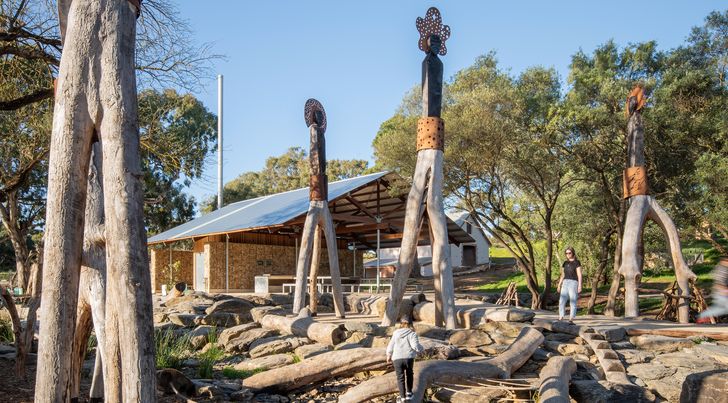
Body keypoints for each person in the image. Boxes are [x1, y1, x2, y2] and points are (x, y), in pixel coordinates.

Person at [386, 316, 424, 402]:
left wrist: (388, 355)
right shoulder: (412, 333)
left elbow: (391, 345)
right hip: (408, 358)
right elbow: (415, 346)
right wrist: (422, 349)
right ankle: (409, 394)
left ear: (401, 324)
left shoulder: (396, 333)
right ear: (411, 324)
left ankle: (402, 398)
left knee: (400, 378)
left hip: (397, 359)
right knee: (409, 374)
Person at [696, 258, 728, 324]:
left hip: (721, 292)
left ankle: (703, 315)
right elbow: (719, 282)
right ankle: (703, 315)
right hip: (721, 293)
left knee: (722, 308)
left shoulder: (722, 268)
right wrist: (724, 290)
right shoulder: (722, 269)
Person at [557, 246, 582, 321]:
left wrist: (580, 285)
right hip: (565, 282)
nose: (568, 254)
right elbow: (562, 275)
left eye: (569, 253)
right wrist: (559, 285)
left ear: (573, 253)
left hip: (573, 282)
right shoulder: (565, 263)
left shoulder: (577, 262)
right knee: (561, 301)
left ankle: (571, 317)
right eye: (566, 253)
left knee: (573, 300)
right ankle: (561, 316)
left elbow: (579, 274)